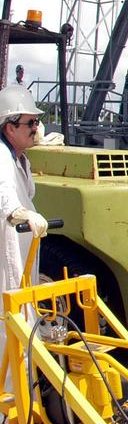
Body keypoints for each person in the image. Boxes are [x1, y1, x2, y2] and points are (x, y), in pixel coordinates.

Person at [0, 86, 49, 391]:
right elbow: (4, 197)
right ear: (9, 127)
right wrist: (20, 213)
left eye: (36, 123)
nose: (36, 129)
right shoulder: (2, 158)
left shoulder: (19, 159)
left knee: (23, 328)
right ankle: (7, 418)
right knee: (9, 332)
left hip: (22, 259)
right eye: (30, 123)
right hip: (6, 262)